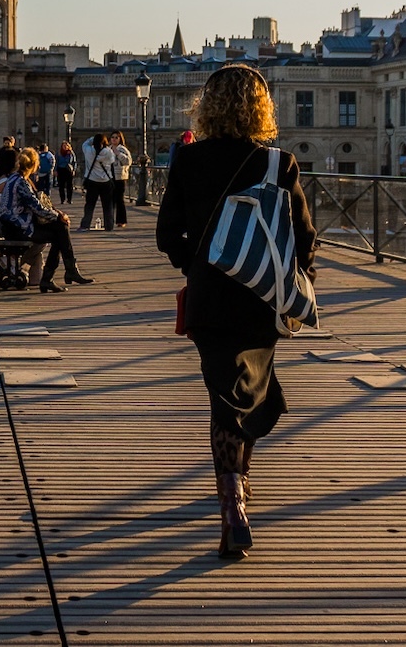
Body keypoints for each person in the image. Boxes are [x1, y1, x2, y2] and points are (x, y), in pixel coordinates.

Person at [154, 64, 317, 561]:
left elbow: (167, 234)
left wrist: (198, 265)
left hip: (210, 297)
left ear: (207, 107)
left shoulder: (188, 159)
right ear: (261, 109)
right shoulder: (278, 163)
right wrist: (290, 277)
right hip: (261, 299)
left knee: (223, 397)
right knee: (248, 394)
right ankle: (240, 490)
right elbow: (304, 237)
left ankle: (232, 507)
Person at [0, 147, 91, 292]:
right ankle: (60, 274)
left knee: (60, 230)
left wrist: (57, 216)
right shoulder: (21, 183)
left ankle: (62, 273)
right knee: (60, 230)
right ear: (34, 165)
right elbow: (37, 207)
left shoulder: (14, 178)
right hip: (17, 228)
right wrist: (59, 216)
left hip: (14, 225)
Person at [81, 133, 117, 231]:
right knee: (108, 205)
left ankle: (85, 225)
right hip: (106, 181)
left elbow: (85, 144)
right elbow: (112, 161)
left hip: (92, 180)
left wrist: (92, 138)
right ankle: (109, 225)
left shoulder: (89, 151)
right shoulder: (108, 152)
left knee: (90, 204)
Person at [107, 131, 133, 228]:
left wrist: (118, 154)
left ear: (120, 139)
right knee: (110, 200)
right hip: (109, 176)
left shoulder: (122, 149)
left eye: (116, 137)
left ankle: (121, 220)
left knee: (119, 199)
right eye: (112, 137)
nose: (114, 139)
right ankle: (109, 220)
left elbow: (128, 161)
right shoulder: (108, 149)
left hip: (120, 177)